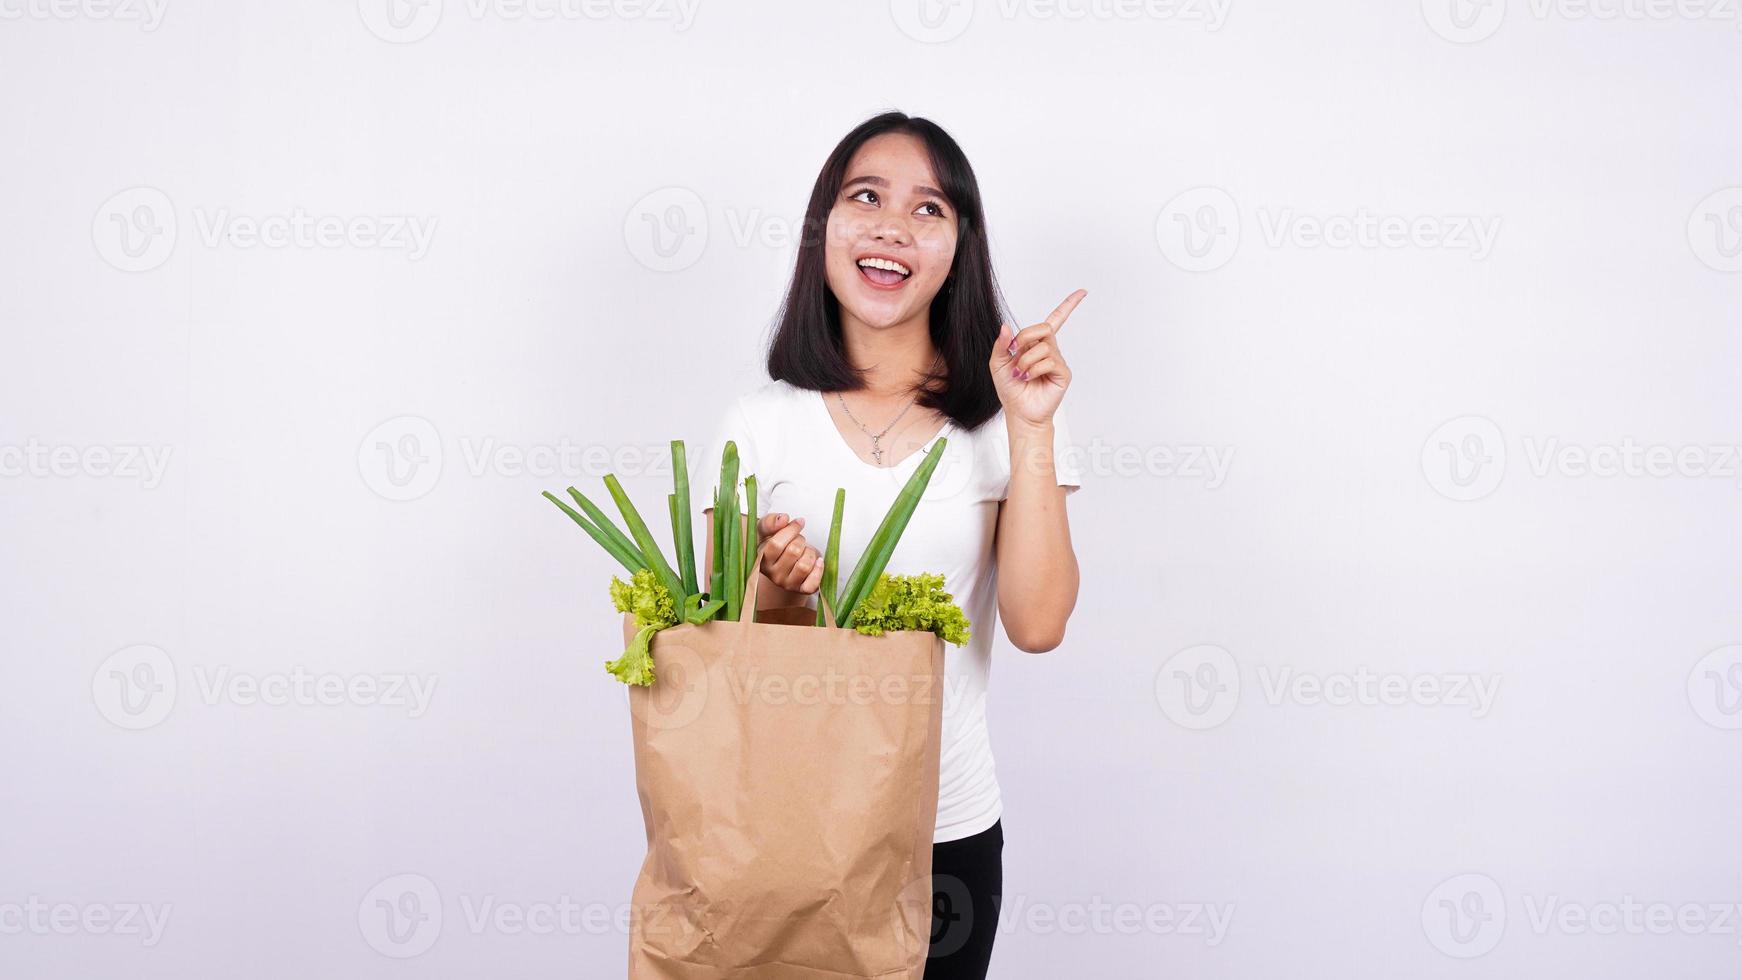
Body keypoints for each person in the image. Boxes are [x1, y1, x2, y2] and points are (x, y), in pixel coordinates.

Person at [676, 110, 1087, 979]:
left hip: (941, 834)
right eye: (867, 196)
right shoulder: (760, 424)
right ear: (824, 226)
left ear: (958, 247)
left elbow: (1038, 623)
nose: (894, 225)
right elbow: (723, 647)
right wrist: (779, 586)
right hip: (779, 827)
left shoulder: (1001, 420)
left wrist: (1031, 429)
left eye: (929, 209)